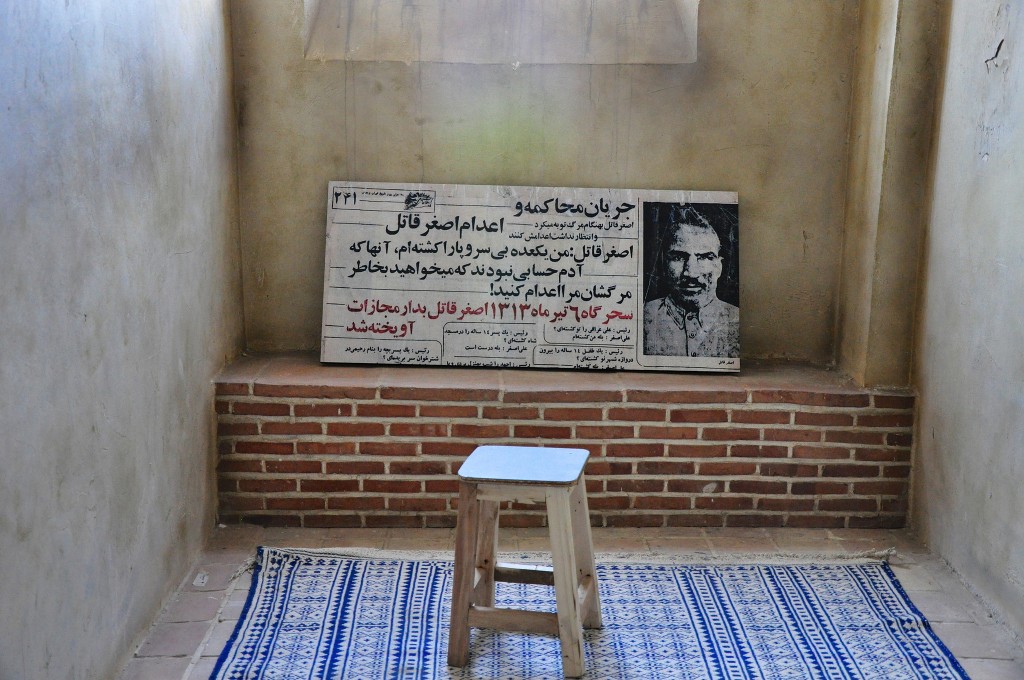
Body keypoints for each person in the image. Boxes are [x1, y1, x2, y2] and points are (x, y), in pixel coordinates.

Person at [643, 208, 739, 358]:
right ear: (663, 263)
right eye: (678, 257)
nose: (691, 273)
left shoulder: (738, 321)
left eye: (704, 257)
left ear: (719, 266)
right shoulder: (642, 317)